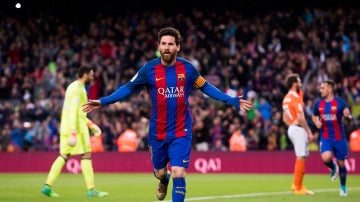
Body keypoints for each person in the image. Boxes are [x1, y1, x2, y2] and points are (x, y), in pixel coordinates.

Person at [82, 27, 252, 202]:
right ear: (158, 46)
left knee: (179, 171)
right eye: (163, 44)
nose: (167, 47)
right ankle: (164, 179)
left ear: (178, 47)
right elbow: (128, 88)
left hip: (181, 130)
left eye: (171, 44)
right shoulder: (148, 70)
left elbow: (206, 87)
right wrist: (103, 101)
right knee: (160, 172)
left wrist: (231, 100)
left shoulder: (188, 69)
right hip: (158, 132)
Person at [41, 66, 108, 198]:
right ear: (85, 74)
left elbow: (75, 110)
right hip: (76, 128)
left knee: (64, 155)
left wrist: (90, 125)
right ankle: (91, 190)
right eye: (91, 74)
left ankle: (47, 186)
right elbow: (75, 111)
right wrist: (79, 129)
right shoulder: (78, 89)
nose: (93, 77)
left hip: (65, 126)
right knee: (86, 155)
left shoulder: (71, 86)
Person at [311, 80, 352, 197]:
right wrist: (316, 122)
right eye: (320, 88)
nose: (320, 90)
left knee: (341, 163)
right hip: (326, 137)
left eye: (323, 88)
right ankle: (333, 168)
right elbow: (314, 116)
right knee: (326, 158)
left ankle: (343, 187)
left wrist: (347, 116)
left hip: (339, 137)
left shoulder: (341, 103)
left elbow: (348, 118)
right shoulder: (318, 104)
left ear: (330, 89)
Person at [282, 73, 314, 195]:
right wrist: (308, 131)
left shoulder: (286, 98)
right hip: (298, 128)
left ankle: (297, 184)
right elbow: (300, 117)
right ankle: (298, 187)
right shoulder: (295, 98)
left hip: (292, 128)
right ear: (295, 83)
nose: (300, 82)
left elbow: (284, 118)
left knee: (303, 156)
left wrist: (292, 123)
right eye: (299, 81)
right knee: (301, 156)